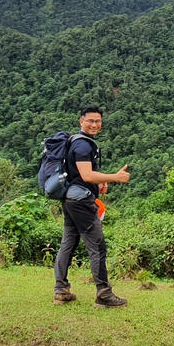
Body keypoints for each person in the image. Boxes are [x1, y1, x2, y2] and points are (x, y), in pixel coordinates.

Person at [54, 106, 131, 307]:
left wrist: (100, 182)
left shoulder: (77, 142)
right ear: (81, 121)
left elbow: (81, 175)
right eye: (90, 121)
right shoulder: (83, 146)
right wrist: (115, 178)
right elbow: (87, 175)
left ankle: (61, 290)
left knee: (68, 243)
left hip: (71, 199)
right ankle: (104, 294)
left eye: (98, 121)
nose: (95, 124)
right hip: (81, 203)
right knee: (97, 246)